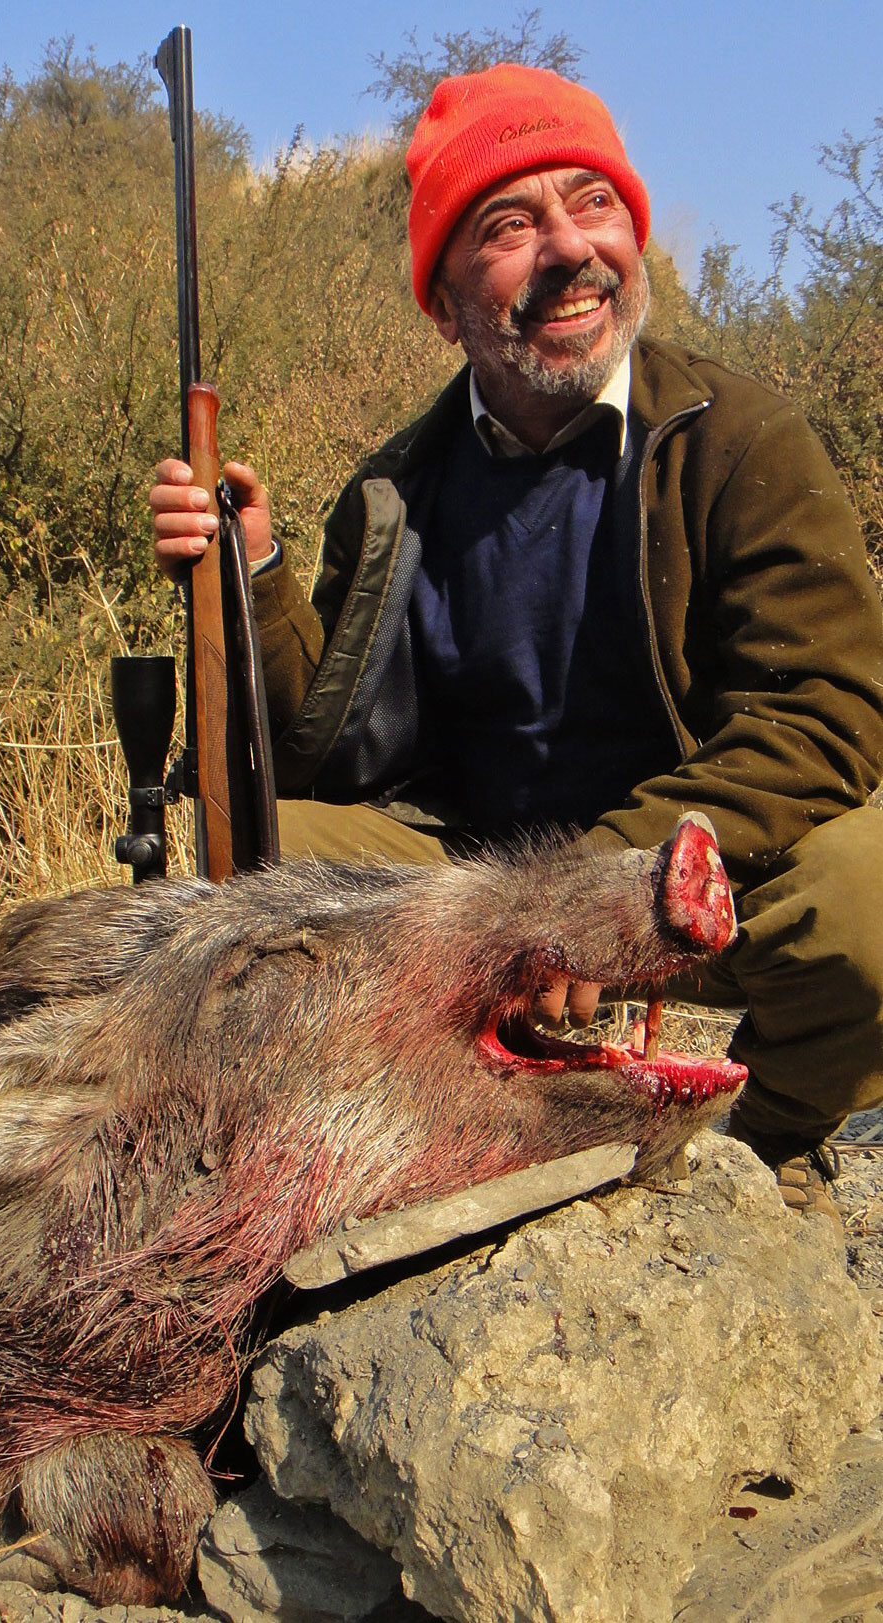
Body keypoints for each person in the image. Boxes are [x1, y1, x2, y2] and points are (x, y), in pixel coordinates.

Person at [150, 63, 883, 1226]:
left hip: (694, 882)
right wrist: (257, 578)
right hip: (475, 885)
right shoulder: (396, 489)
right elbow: (320, 760)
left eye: (594, 205)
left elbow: (827, 717)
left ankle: (761, 1147)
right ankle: (378, 1145)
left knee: (865, 903)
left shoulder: (742, 439)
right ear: (445, 305)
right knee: (235, 874)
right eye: (509, 225)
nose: (570, 248)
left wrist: (597, 893)